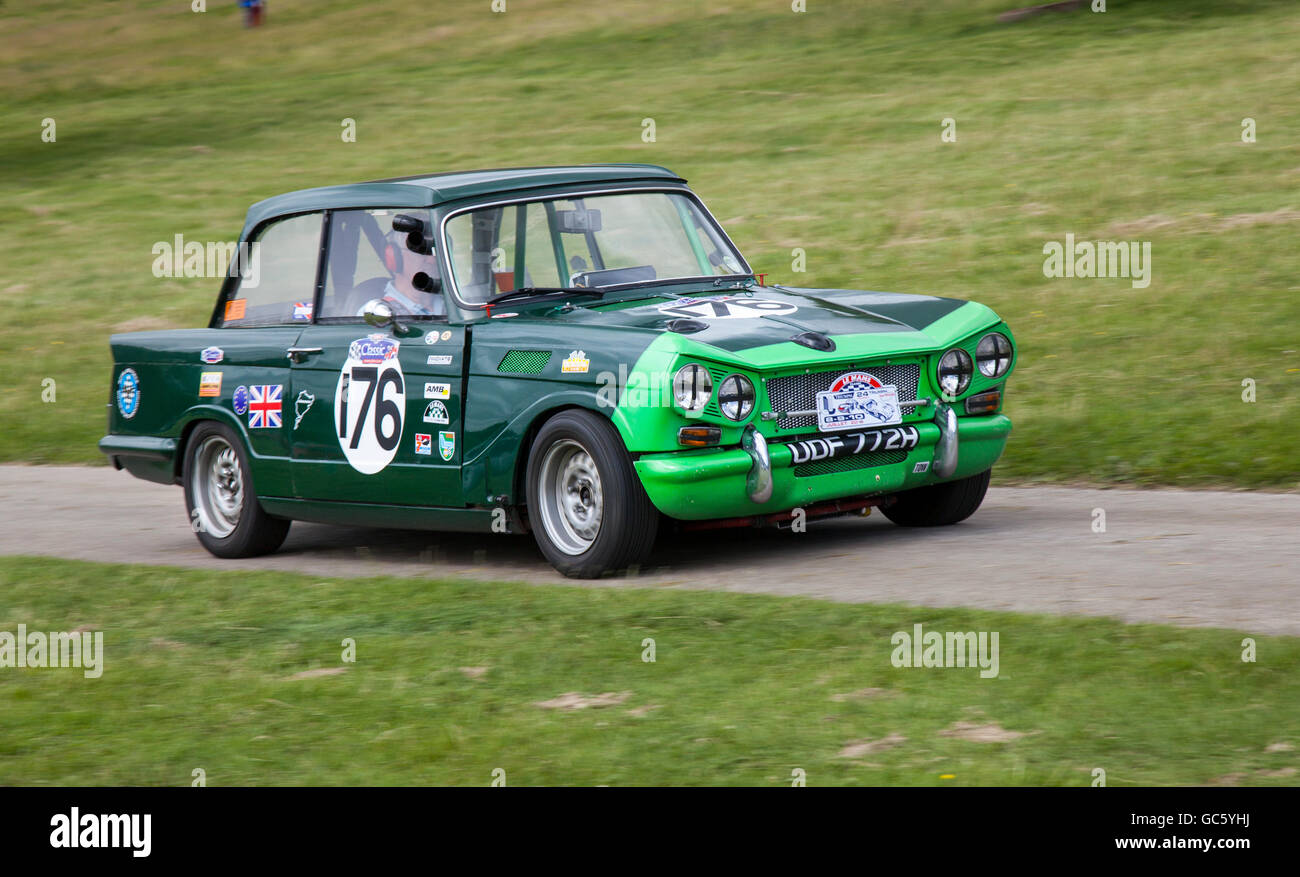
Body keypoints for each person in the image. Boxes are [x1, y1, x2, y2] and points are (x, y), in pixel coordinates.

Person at [359, 231, 445, 317]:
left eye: (435, 251)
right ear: (395, 258)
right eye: (421, 252)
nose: (432, 260)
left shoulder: (453, 305)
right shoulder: (375, 314)